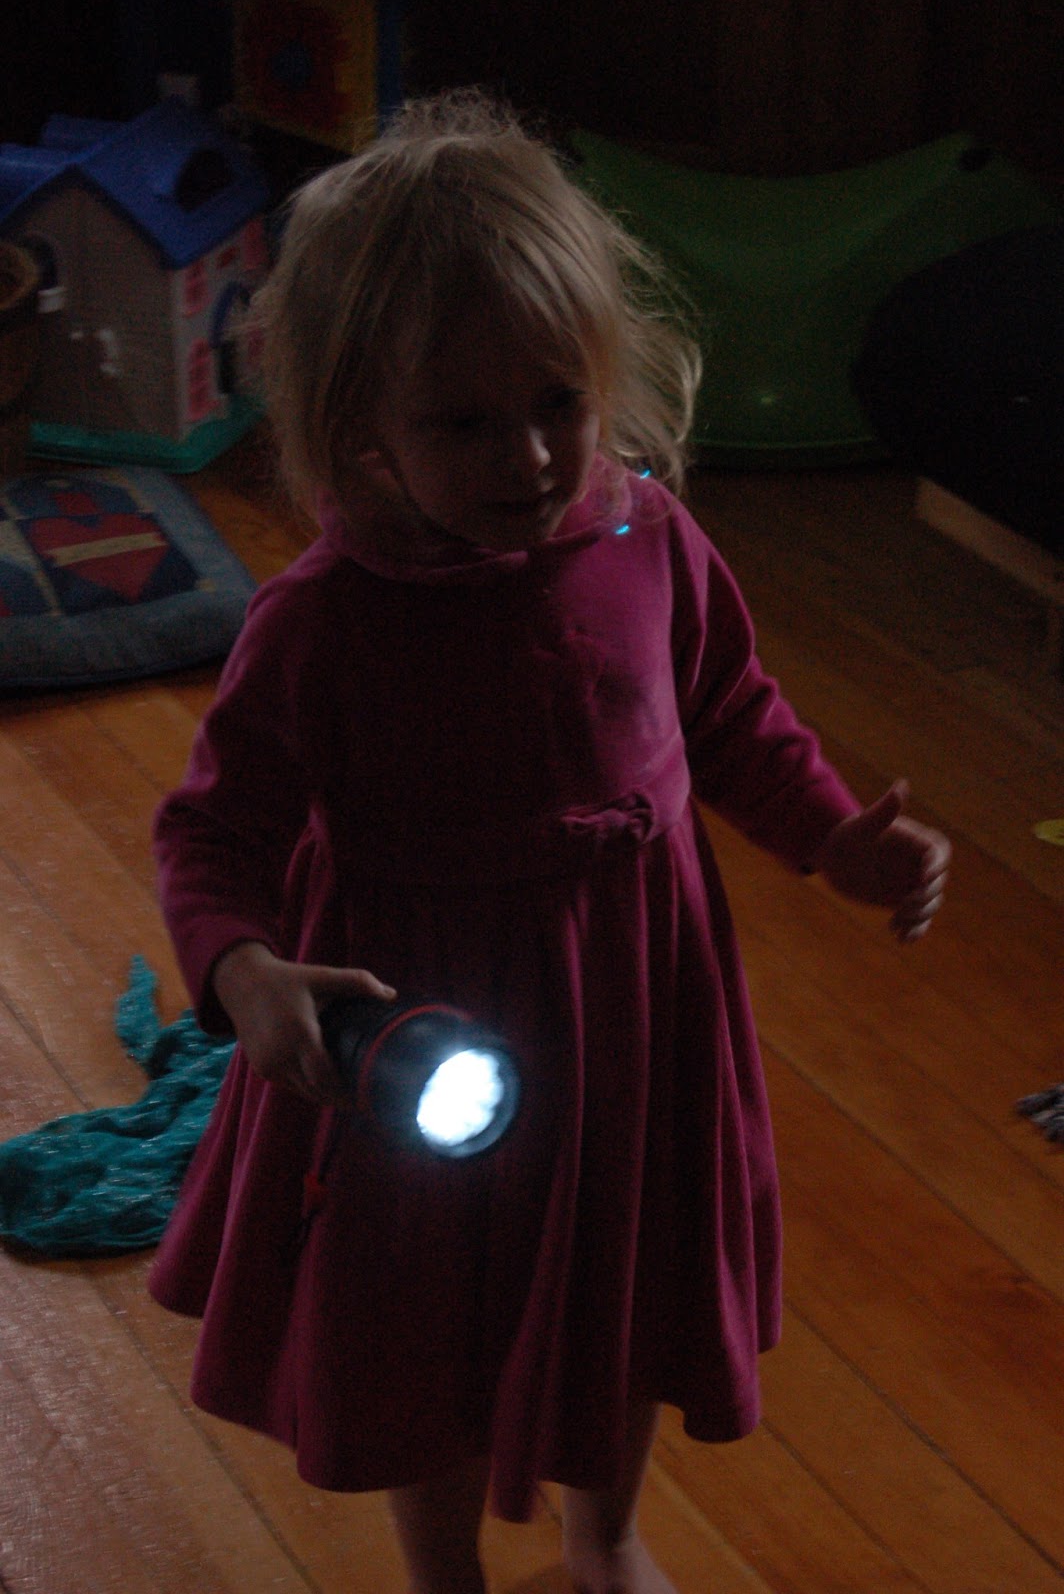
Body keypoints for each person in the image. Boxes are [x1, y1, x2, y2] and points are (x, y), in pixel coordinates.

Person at [148, 91, 951, 1594]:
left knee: (625, 1275)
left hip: (639, 1003)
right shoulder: (321, 621)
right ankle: (444, 1569)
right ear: (359, 428)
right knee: (419, 1308)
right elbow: (214, 826)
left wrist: (835, 838)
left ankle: (605, 1533)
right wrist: (244, 973)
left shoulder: (647, 537)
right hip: (423, 1019)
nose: (526, 457)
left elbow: (729, 711)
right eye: (461, 423)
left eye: (557, 402)